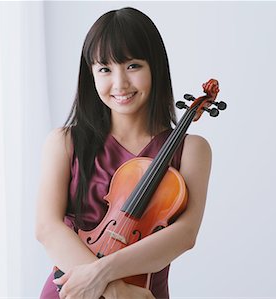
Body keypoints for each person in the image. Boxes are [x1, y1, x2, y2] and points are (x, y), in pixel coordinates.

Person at [35, 7, 212, 299]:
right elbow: (47, 228)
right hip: (74, 292)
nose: (120, 84)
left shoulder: (192, 150)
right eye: (105, 69)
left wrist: (102, 273)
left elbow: (185, 235)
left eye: (132, 66)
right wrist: (115, 289)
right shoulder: (64, 141)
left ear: (155, 66)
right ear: (90, 74)